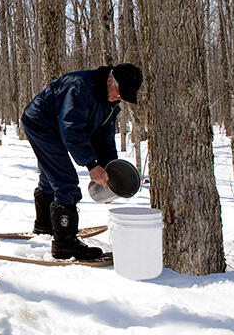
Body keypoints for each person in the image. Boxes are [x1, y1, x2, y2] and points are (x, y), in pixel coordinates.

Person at [21, 63, 143, 260]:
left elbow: (104, 137)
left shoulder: (109, 101)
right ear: (111, 80)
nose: (121, 98)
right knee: (65, 180)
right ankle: (65, 244)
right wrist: (91, 165)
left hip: (58, 125)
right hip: (41, 123)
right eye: (121, 92)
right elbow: (70, 128)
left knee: (52, 172)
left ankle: (45, 225)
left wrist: (109, 171)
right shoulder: (81, 87)